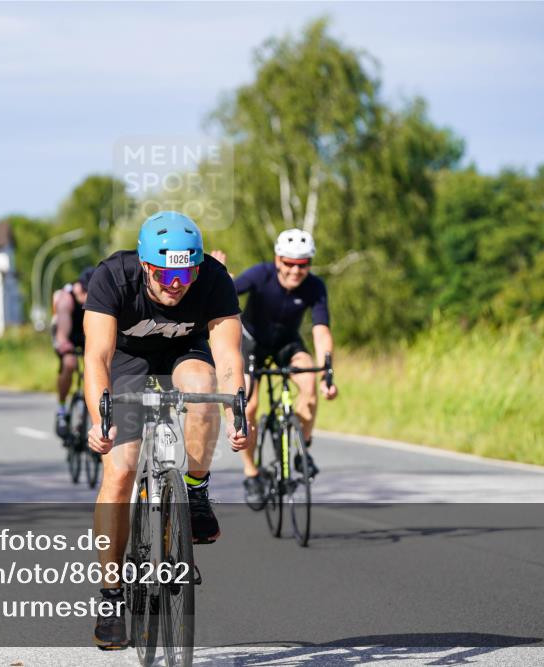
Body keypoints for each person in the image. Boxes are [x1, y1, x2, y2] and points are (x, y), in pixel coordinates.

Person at [82, 211, 247, 649]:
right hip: (127, 359)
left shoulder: (212, 279)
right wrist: (101, 419)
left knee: (203, 389)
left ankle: (194, 489)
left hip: (185, 352)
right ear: (145, 264)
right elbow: (96, 356)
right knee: (120, 469)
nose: (177, 283)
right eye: (166, 273)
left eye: (187, 271)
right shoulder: (113, 277)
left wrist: (237, 412)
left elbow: (228, 356)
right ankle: (111, 594)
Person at [219, 229, 338, 507]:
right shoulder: (261, 274)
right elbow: (226, 295)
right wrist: (222, 276)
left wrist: (327, 373)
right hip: (252, 343)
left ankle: (301, 448)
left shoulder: (315, 287)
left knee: (309, 385)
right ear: (277, 260)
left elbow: (321, 331)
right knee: (247, 404)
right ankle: (251, 473)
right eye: (289, 263)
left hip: (287, 344)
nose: (296, 271)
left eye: (303, 264)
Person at [52, 267, 94, 439]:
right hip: (65, 333)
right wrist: (65, 346)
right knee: (69, 363)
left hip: (85, 334)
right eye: (83, 292)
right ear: (78, 287)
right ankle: (61, 410)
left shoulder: (96, 297)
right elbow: (62, 334)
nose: (85, 297)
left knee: (96, 367)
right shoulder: (66, 299)